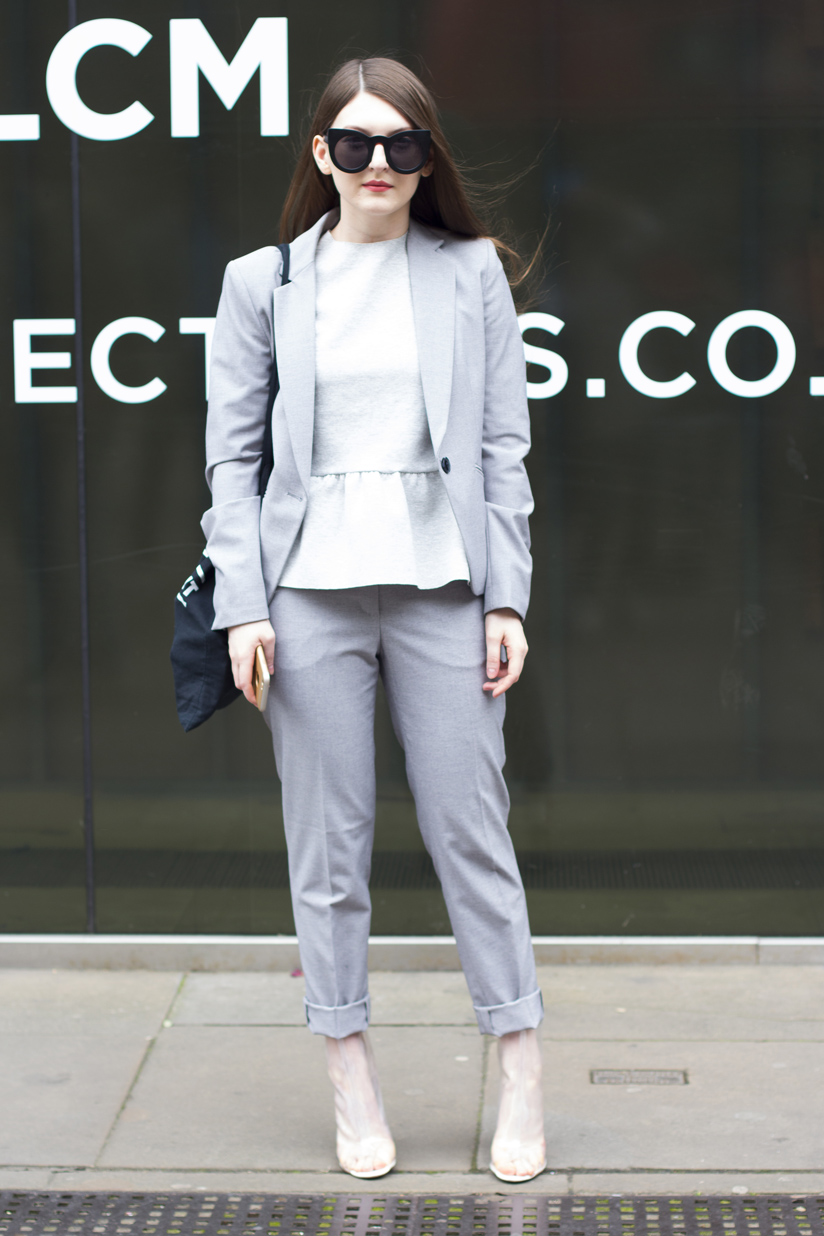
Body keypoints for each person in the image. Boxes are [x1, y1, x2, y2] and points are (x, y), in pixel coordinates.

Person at [202, 55, 545, 1183]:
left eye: (401, 145)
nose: (378, 165)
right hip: (306, 596)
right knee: (329, 849)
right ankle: (347, 1067)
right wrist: (243, 609)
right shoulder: (262, 283)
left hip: (443, 583)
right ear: (320, 155)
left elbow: (500, 449)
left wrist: (506, 595)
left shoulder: (468, 277)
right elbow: (232, 462)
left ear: (426, 155)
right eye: (354, 144)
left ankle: (519, 1058)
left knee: (470, 835)